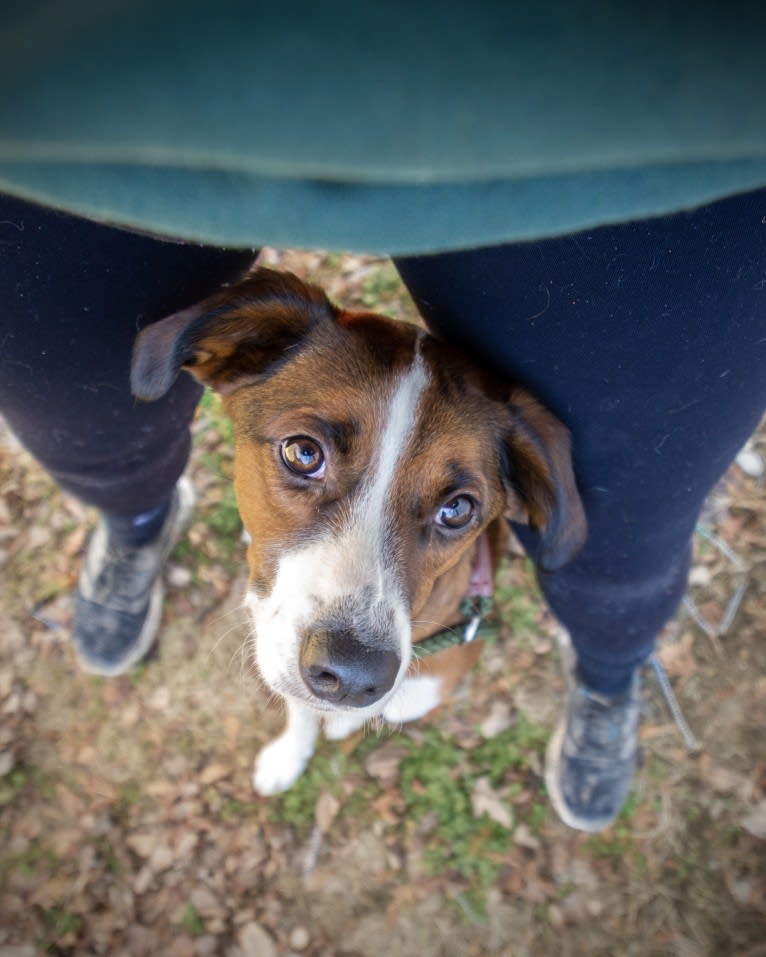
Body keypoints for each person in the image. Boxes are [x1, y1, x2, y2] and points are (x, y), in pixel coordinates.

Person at [1, 2, 765, 832]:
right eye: (304, 455)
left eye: (453, 507)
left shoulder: (497, 480)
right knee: (71, 396)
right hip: (90, 90)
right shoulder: (263, 354)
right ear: (227, 359)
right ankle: (141, 512)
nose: (362, 632)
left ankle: (611, 668)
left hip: (629, 130)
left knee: (633, 524)